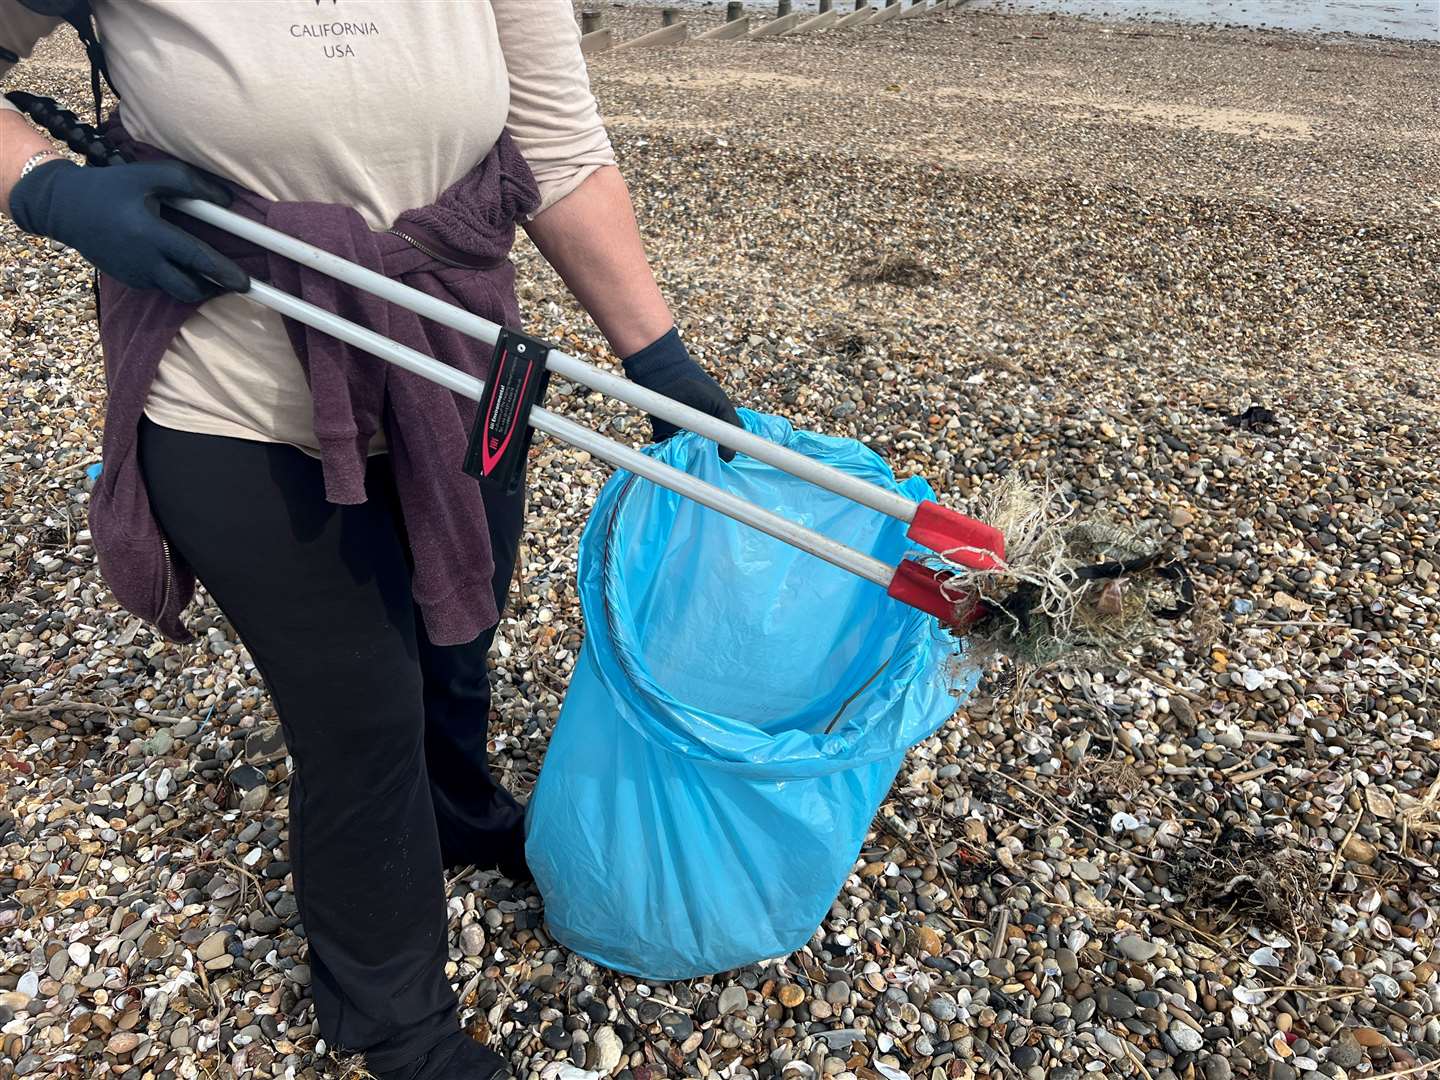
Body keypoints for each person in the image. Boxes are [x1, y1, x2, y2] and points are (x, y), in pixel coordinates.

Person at [0, 4, 742, 1078]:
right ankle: (389, 1016)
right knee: (360, 708)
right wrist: (47, 186)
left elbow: (558, 147)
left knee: (457, 628)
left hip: (460, 360)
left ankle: (453, 808)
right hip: (234, 391)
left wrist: (657, 360)